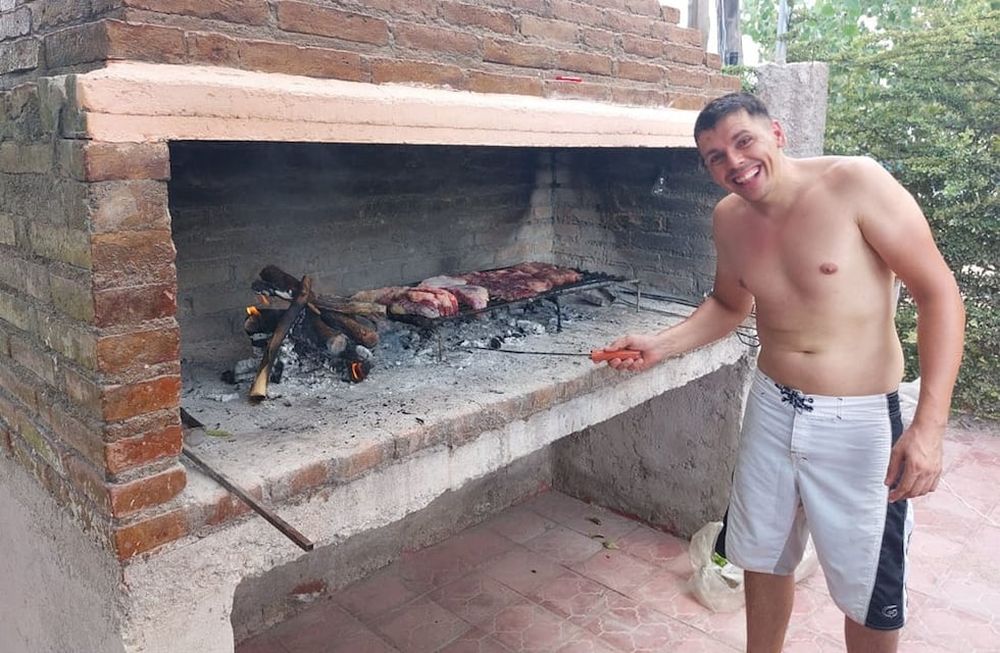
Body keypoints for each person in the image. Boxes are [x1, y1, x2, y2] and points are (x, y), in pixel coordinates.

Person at [602, 92, 965, 653]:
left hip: (862, 421)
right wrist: (659, 344)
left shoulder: (855, 184)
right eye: (715, 158)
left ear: (776, 133)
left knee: (869, 585)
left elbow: (938, 292)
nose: (734, 163)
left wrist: (929, 426)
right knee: (761, 554)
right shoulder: (728, 219)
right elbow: (729, 304)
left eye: (742, 142)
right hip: (772, 408)